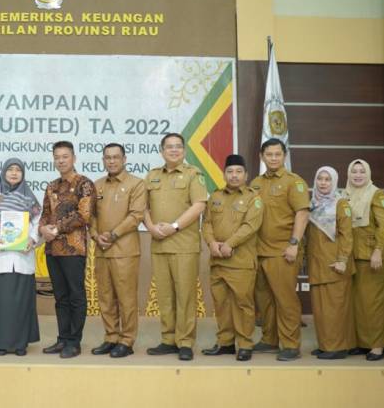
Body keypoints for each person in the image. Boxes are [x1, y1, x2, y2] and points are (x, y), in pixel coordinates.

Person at [143, 133, 207, 361]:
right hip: (159, 245)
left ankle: (185, 342)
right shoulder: (152, 176)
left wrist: (174, 226)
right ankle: (168, 340)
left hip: (184, 246)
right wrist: (151, 227)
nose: (173, 150)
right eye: (169, 147)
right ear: (162, 151)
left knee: (185, 296)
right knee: (165, 296)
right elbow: (143, 207)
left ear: (184, 151)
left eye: (178, 146)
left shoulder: (193, 174)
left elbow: (199, 206)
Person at [251, 138, 309, 361]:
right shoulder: (256, 183)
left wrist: (294, 243)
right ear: (261, 157)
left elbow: (302, 213)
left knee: (285, 300)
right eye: (269, 154)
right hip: (259, 251)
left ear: (284, 156)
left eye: (278, 154)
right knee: (265, 301)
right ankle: (269, 340)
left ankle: (291, 345)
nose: (273, 158)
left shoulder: (294, 182)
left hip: (283, 250)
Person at [0, 158, 42, 356]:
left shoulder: (30, 198)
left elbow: (38, 223)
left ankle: (21, 343)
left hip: (22, 258)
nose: (14, 173)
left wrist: (32, 238)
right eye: (10, 169)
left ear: (23, 174)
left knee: (21, 303)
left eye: (18, 170)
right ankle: (0, 343)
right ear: (3, 172)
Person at [201, 154, 262, 362]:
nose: (234, 175)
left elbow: (250, 226)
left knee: (243, 305)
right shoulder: (215, 196)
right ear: (224, 174)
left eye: (238, 172)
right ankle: (225, 343)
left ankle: (245, 344)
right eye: (230, 171)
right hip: (218, 261)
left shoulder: (254, 198)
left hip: (240, 263)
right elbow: (207, 223)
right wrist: (211, 243)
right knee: (222, 304)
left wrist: (229, 244)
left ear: (246, 175)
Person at [89, 143, 145, 358]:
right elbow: (91, 216)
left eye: (116, 157)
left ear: (124, 159)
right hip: (102, 250)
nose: (111, 161)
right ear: (103, 160)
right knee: (105, 297)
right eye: (108, 157)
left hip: (125, 251)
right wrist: (96, 236)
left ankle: (127, 340)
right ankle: (111, 337)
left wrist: (112, 235)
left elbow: (136, 215)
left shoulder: (136, 184)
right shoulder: (97, 185)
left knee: (126, 298)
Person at [39, 141, 95, 359]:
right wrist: (43, 228)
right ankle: (62, 339)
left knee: (76, 296)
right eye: (57, 157)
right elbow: (45, 213)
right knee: (60, 297)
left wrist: (57, 228)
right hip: (52, 250)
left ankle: (74, 341)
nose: (61, 161)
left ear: (74, 158)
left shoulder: (84, 184)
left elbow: (84, 215)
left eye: (65, 156)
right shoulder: (51, 186)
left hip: (74, 250)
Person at [305, 166, 356, 360]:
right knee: (321, 310)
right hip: (317, 264)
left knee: (335, 308)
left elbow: (347, 235)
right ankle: (326, 345)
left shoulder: (340, 204)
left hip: (335, 265)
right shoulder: (312, 204)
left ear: (334, 182)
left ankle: (338, 347)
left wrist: (342, 260)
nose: (323, 183)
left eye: (327, 179)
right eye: (320, 179)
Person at [344, 158, 384, 361]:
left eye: (362, 171)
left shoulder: (377, 194)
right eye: (354, 171)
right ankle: (363, 343)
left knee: (373, 303)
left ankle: (377, 346)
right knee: (358, 303)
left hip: (372, 257)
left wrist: (378, 250)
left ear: (368, 174)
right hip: (353, 256)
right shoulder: (345, 195)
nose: (358, 175)